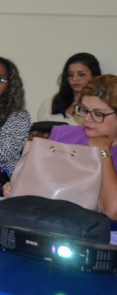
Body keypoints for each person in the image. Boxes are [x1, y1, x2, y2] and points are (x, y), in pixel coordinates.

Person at [49, 75, 117, 219]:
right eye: (84, 110)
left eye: (98, 114)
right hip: (54, 220)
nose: (86, 118)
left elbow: (112, 211)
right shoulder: (63, 135)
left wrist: (103, 152)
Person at [37, 53, 101, 125]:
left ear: (94, 76)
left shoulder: (101, 106)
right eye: (70, 75)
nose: (75, 79)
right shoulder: (49, 105)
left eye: (81, 74)